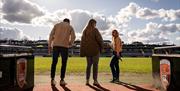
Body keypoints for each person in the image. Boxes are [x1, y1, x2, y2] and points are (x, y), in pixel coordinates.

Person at [48, 18, 76, 86]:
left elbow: (51, 35)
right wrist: (70, 43)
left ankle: (52, 79)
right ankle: (62, 80)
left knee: (54, 62)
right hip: (64, 46)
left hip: (56, 45)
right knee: (64, 63)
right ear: (68, 22)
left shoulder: (56, 25)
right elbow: (73, 37)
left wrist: (49, 45)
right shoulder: (70, 27)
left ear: (63, 21)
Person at [80, 19, 103, 86]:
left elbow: (82, 42)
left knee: (88, 66)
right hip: (95, 50)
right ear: (94, 23)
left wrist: (82, 51)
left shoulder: (84, 31)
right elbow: (100, 39)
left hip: (88, 51)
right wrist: (102, 47)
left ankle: (87, 80)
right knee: (95, 66)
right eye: (95, 23)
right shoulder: (95, 30)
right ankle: (95, 80)